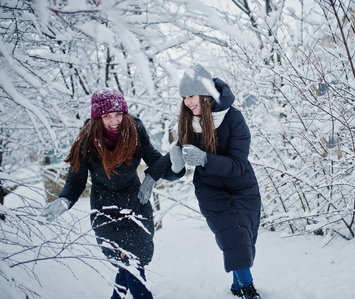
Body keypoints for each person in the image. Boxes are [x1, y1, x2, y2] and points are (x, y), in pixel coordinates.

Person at [39, 87, 185, 299]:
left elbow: (154, 159)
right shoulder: (87, 139)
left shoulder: (134, 129)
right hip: (104, 210)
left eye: (118, 114)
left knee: (132, 261)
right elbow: (75, 180)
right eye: (107, 116)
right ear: (98, 117)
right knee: (129, 262)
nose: (114, 120)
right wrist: (64, 200)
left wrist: (176, 170)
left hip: (136, 203)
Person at [171, 64, 262, 299]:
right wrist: (160, 172)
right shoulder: (187, 121)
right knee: (232, 234)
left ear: (205, 93)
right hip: (210, 188)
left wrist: (205, 158)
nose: (187, 102)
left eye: (191, 96)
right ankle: (249, 289)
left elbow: (238, 164)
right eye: (184, 97)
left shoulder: (234, 118)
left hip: (242, 185)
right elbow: (178, 156)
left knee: (244, 236)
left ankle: (237, 286)